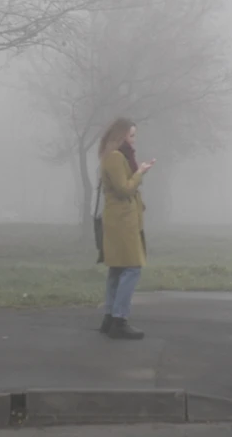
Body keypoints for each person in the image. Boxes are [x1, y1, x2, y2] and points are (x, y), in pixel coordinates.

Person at [97, 118, 155, 340]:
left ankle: (110, 318)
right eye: (131, 135)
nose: (134, 140)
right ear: (121, 136)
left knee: (118, 268)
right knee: (132, 267)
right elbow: (124, 189)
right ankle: (119, 320)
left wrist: (139, 171)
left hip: (121, 219)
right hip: (121, 221)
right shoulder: (115, 157)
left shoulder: (116, 157)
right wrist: (140, 173)